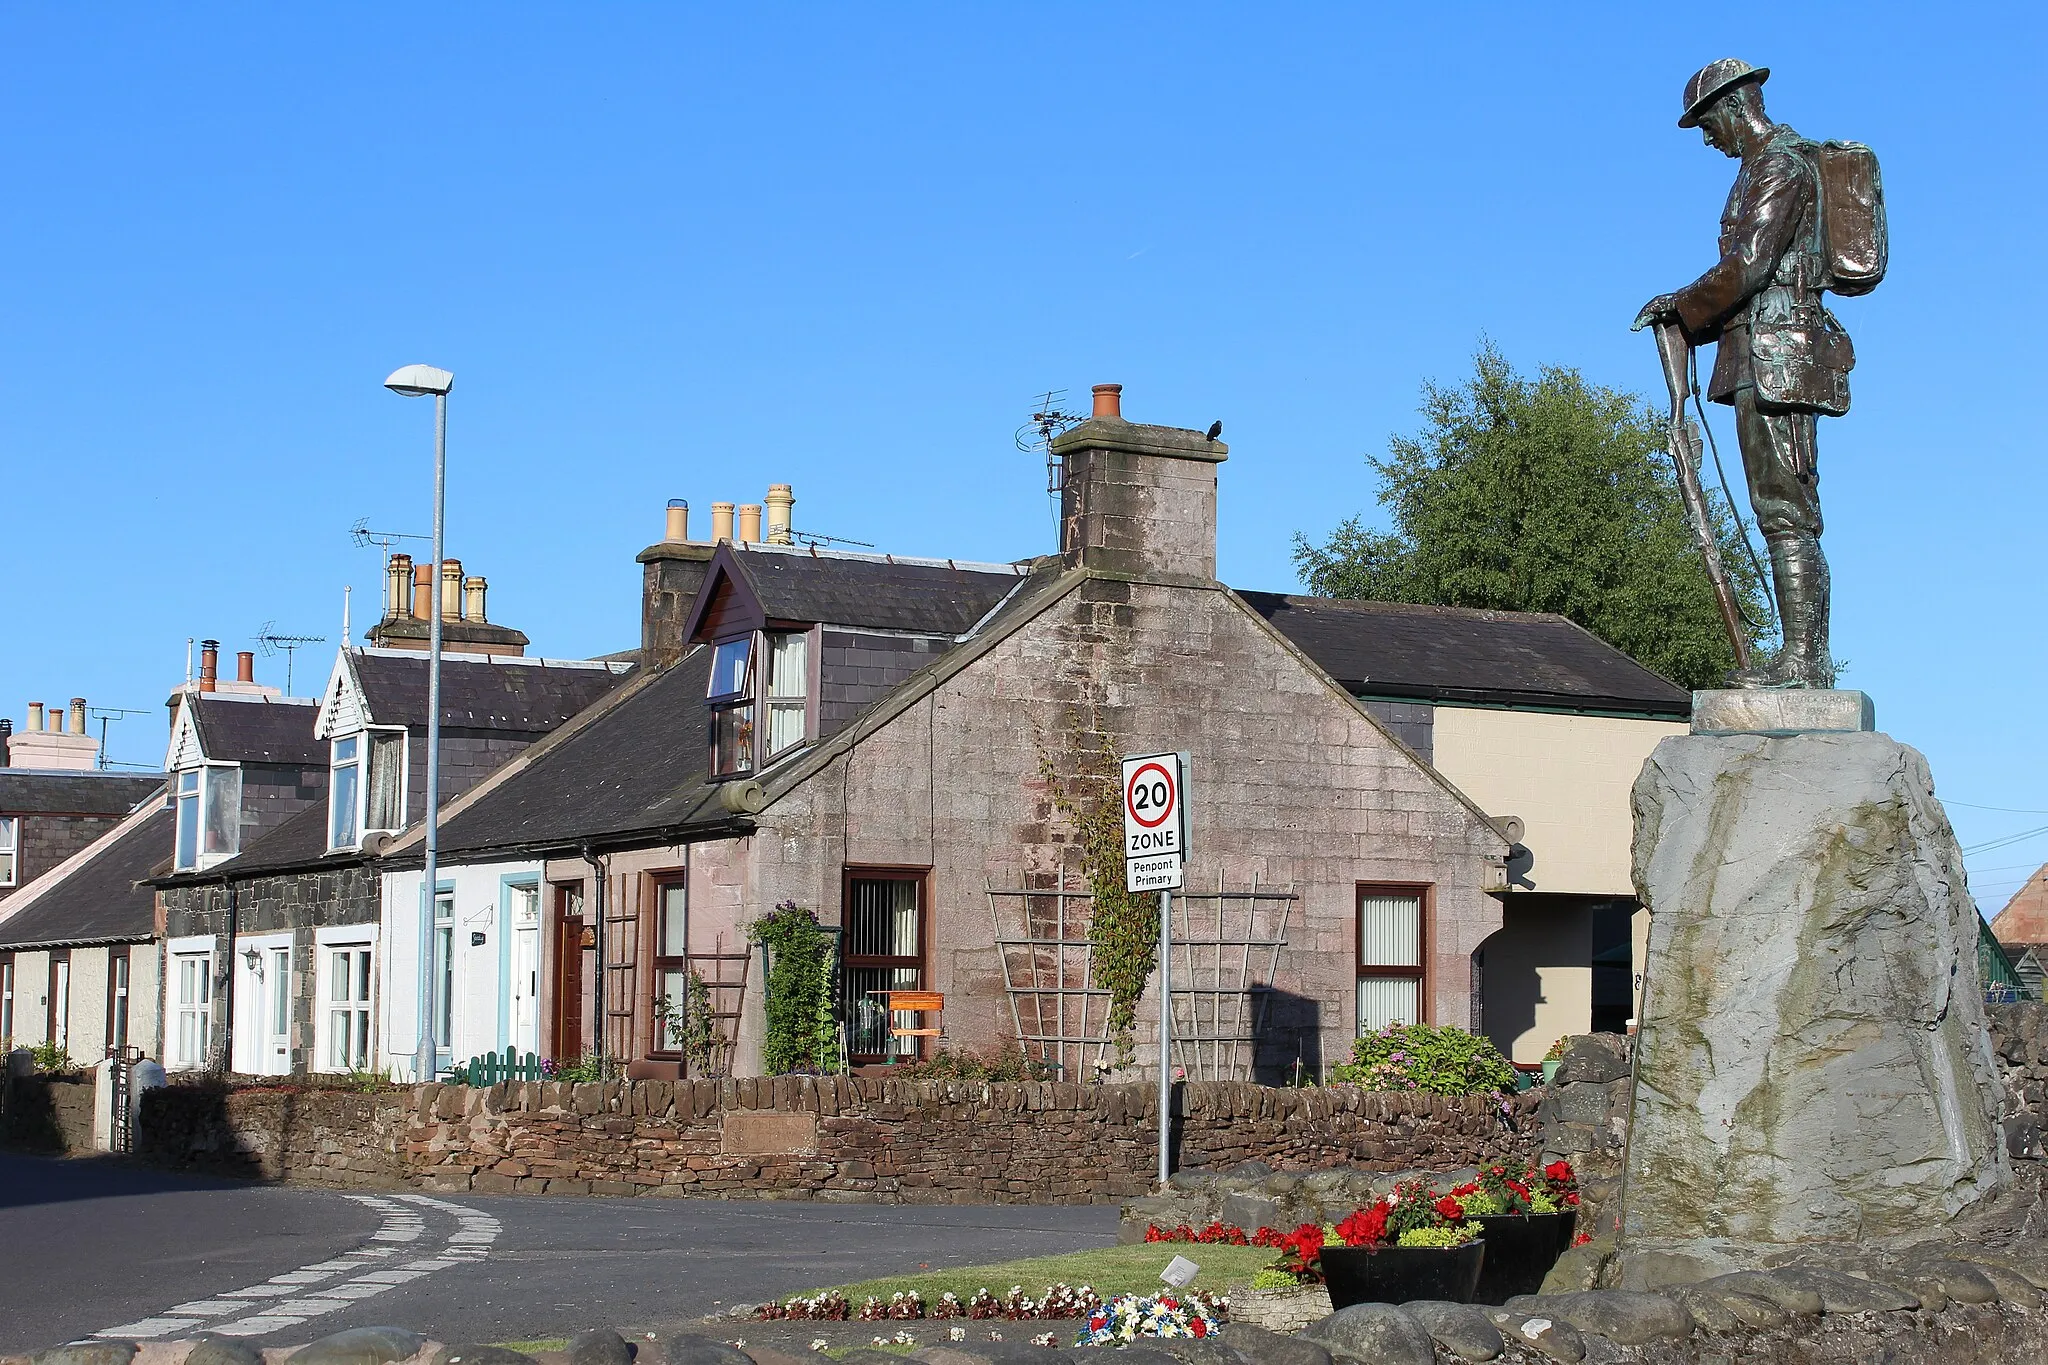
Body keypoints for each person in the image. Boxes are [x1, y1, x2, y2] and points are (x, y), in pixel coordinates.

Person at [1636, 59, 1854, 689]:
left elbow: (1750, 265)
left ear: (1735, 106)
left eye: (1707, 124)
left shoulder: (1781, 165)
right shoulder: (1763, 167)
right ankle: (1799, 658)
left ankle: (1802, 661)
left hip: (1780, 349)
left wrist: (1681, 302)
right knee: (1777, 507)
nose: (1708, 139)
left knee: (1787, 508)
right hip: (1760, 347)